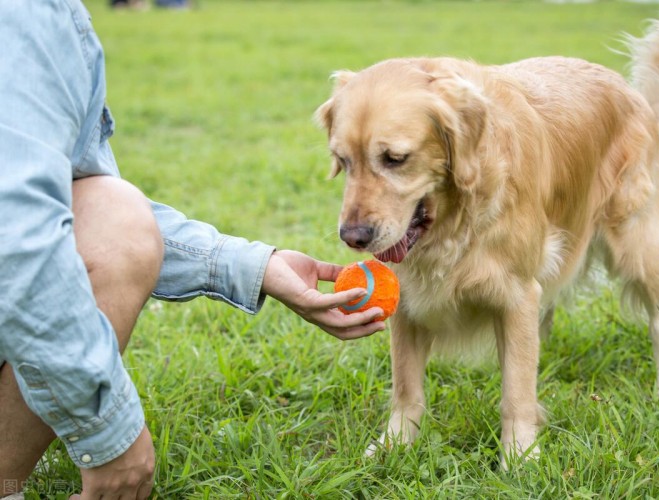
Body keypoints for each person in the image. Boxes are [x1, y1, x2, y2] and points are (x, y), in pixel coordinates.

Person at [0, 2, 384, 499]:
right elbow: (25, 234)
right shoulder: (29, 14)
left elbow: (74, 205)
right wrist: (108, 433)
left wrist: (259, 265)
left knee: (112, 210)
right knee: (116, 219)